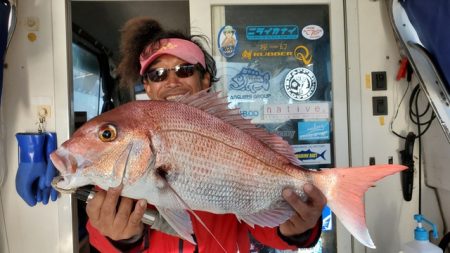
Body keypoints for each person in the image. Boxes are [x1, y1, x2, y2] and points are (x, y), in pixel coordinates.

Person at [85, 17, 327, 253]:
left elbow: (266, 227)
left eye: (184, 70)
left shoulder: (238, 138)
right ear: (147, 86)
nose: (171, 81)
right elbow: (100, 234)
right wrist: (122, 240)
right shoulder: (123, 151)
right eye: (157, 75)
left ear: (204, 79)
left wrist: (296, 229)